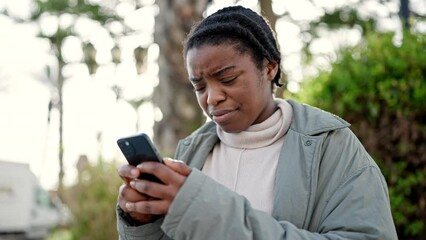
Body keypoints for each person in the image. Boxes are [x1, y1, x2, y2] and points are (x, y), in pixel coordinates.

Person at [116, 5, 398, 240]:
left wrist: (205, 211)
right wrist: (143, 221)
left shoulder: (330, 145)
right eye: (199, 86)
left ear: (270, 66)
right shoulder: (192, 151)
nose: (212, 98)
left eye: (227, 79)